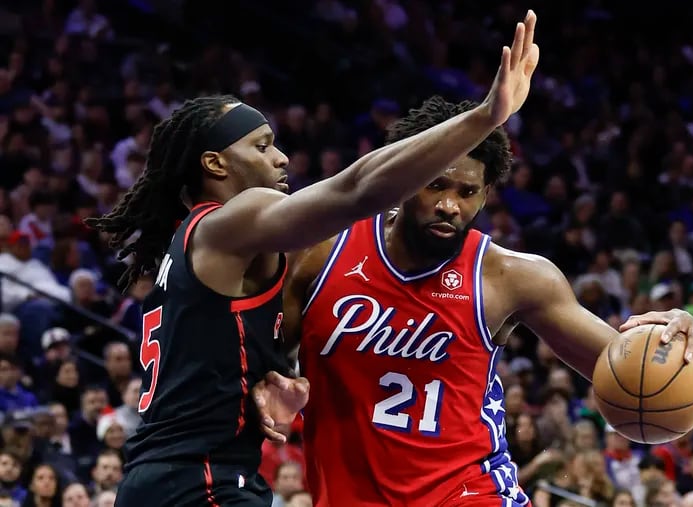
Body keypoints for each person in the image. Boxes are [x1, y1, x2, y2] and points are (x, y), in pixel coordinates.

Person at [85, 11, 538, 506]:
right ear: (215, 164)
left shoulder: (190, 250)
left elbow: (216, 360)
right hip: (206, 483)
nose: (281, 158)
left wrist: (276, 380)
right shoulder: (235, 218)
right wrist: (485, 118)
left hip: (160, 479)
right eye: (262, 146)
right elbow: (357, 190)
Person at [282, 14, 693, 507]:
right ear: (402, 178)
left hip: (473, 495)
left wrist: (676, 337)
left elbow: (626, 368)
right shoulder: (322, 254)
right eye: (436, 184)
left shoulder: (511, 276)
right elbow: (261, 365)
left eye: (468, 191)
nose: (451, 204)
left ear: (487, 194)